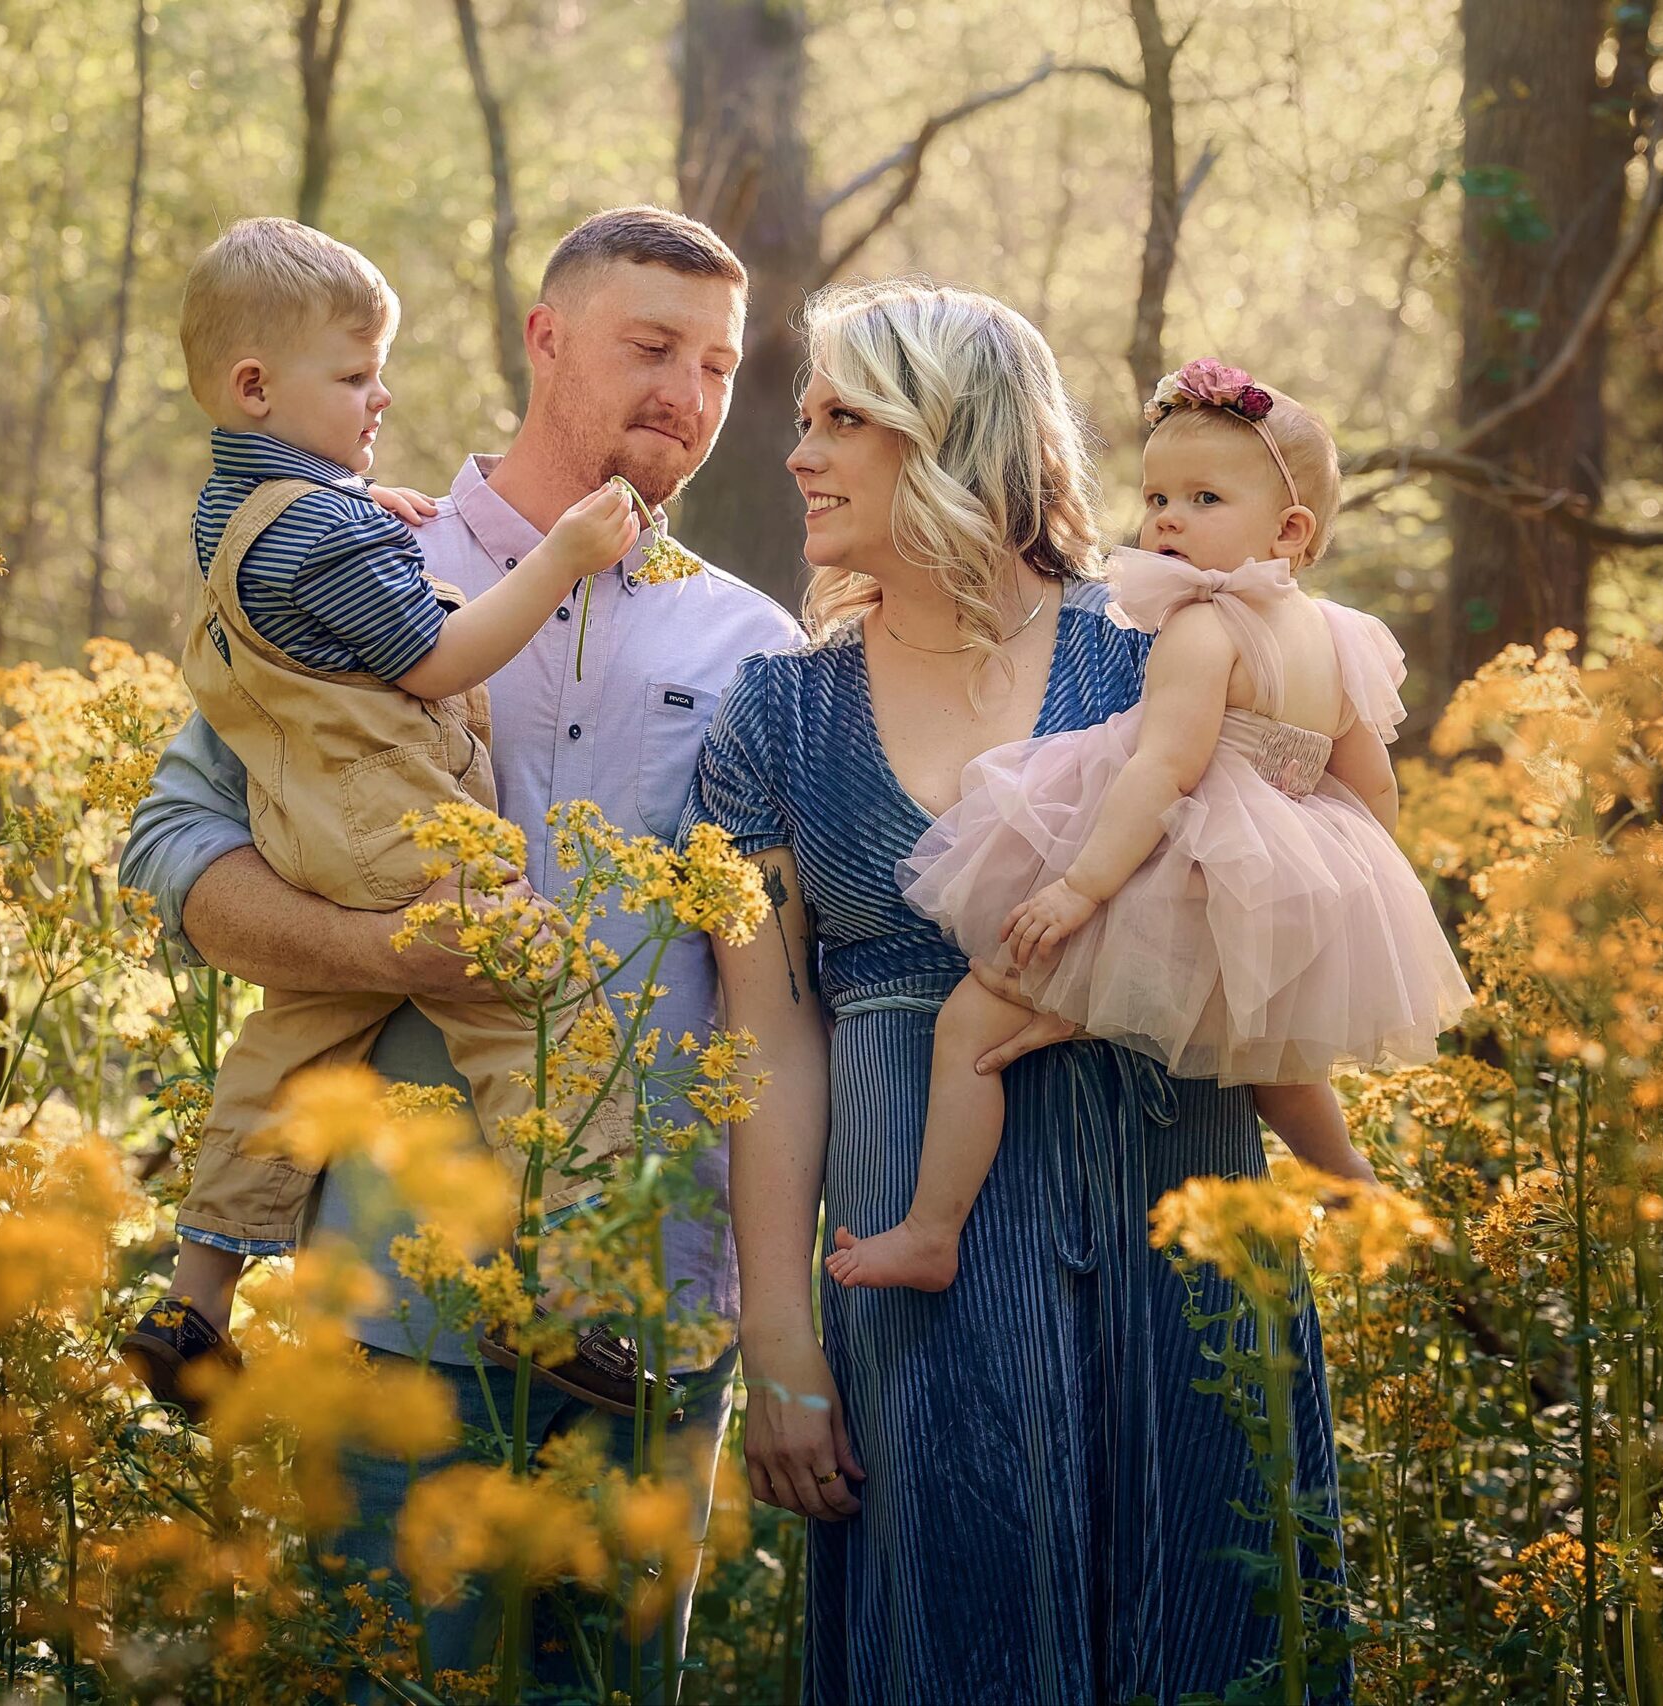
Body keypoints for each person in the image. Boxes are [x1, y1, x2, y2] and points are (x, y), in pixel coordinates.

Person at [118, 206, 798, 1692]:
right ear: (544, 338)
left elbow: (784, 1005)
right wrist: (389, 950)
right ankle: (198, 1289)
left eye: (721, 365)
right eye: (649, 346)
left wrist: (780, 1316)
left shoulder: (755, 647)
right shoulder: (347, 559)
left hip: (654, 1315)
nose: (686, 390)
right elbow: (173, 851)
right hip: (400, 1315)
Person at [688, 280, 1352, 1703]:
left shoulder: (1158, 652)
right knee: (952, 1635)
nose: (799, 454)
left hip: (1172, 1225)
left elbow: (1319, 903)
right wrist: (783, 1343)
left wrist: (1132, 980)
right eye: (801, 421)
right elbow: (768, 1043)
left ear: (956, 434)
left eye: (842, 420)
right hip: (917, 1273)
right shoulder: (775, 717)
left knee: (1206, 1626)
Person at [121, 216, 644, 1412]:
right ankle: (552, 1294)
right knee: (540, 1001)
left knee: (296, 1043)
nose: (381, 394)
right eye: (354, 376)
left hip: (303, 828)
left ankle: (193, 1299)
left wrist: (363, 508)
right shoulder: (324, 527)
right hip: (392, 822)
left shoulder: (248, 506)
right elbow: (438, 652)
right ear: (257, 386)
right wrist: (560, 555)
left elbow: (308, 563)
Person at [822, 356, 1471, 1293]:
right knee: (1275, 1055)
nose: (1165, 518)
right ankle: (1352, 1185)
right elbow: (1370, 789)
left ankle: (931, 1231)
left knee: (973, 1021)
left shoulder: (1203, 628)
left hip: (1159, 864)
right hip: (1272, 873)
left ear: (1290, 530)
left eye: (1204, 498)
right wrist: (1328, 891)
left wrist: (1079, 886)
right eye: (1156, 495)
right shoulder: (1342, 637)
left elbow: (1163, 768)